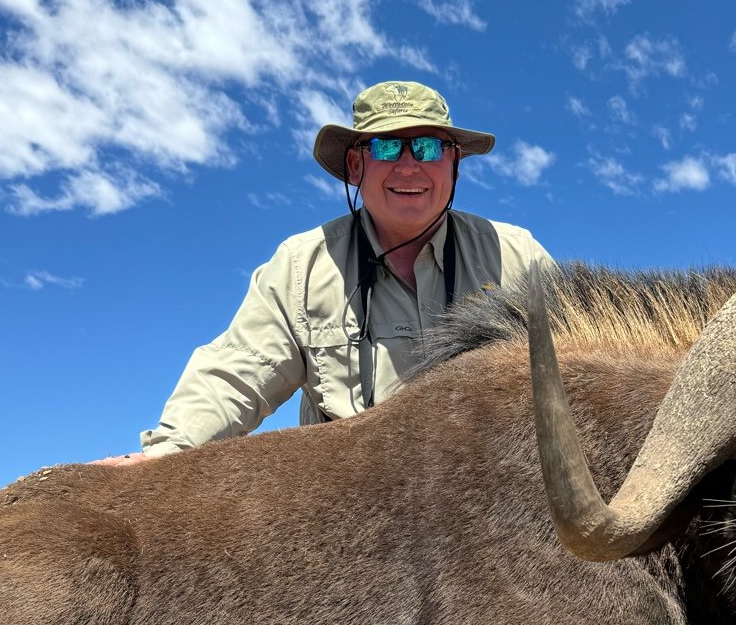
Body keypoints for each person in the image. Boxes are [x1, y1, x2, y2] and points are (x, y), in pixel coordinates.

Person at [97, 80, 553, 464]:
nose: (410, 163)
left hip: (494, 503)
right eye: (387, 145)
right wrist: (167, 456)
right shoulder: (301, 265)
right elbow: (236, 374)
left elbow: (582, 369)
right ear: (356, 165)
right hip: (355, 517)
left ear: (454, 162)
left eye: (430, 146)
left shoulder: (516, 255)